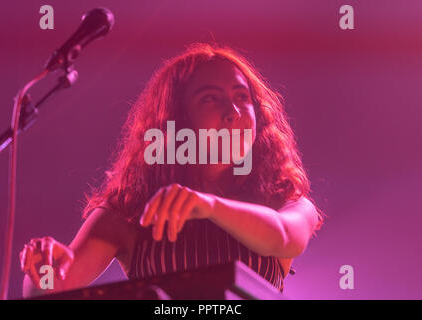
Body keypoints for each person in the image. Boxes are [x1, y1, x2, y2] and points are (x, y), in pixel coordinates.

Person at [19, 43, 324, 297]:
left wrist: (208, 206)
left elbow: (285, 237)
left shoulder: (287, 201)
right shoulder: (126, 211)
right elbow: (51, 290)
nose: (232, 112)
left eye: (242, 97)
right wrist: (42, 270)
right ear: (177, 118)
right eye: (210, 99)